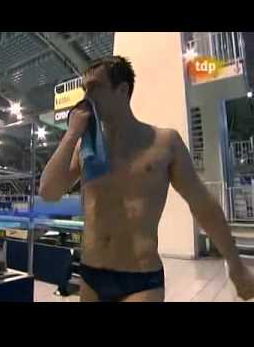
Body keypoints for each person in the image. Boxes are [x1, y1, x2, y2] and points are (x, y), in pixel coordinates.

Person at [39, 56, 254, 302]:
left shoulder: (164, 143)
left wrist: (236, 266)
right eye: (84, 89)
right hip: (91, 276)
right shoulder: (86, 149)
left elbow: (203, 205)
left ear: (122, 90)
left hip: (140, 280)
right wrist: (72, 133)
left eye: (95, 87)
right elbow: (48, 192)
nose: (86, 96)